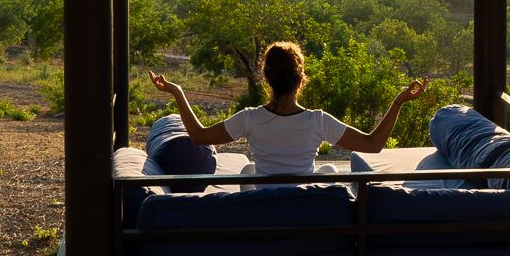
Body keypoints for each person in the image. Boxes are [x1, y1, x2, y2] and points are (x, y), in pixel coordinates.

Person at [148, 40, 426, 178]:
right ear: (301, 78)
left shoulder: (250, 119)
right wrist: (398, 102)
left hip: (264, 203)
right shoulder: (318, 122)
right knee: (329, 169)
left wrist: (178, 92)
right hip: (302, 202)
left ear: (266, 77)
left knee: (247, 169)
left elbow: (198, 136)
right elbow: (374, 144)